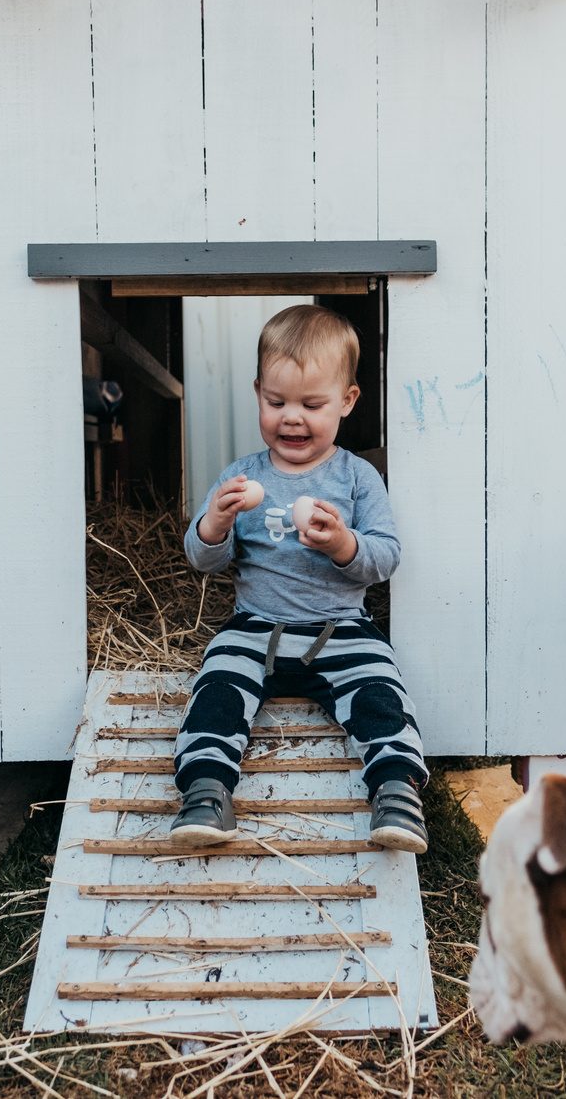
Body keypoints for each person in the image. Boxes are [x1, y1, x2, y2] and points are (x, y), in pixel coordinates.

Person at [171, 304, 429, 852]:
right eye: (276, 401)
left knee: (380, 690)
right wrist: (215, 521)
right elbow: (203, 558)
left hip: (341, 628)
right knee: (216, 687)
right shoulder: (242, 477)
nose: (292, 417)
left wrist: (342, 544)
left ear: (347, 401)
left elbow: (385, 556)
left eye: (312, 404)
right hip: (255, 625)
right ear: (257, 392)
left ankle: (396, 791)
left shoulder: (357, 477)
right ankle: (206, 791)